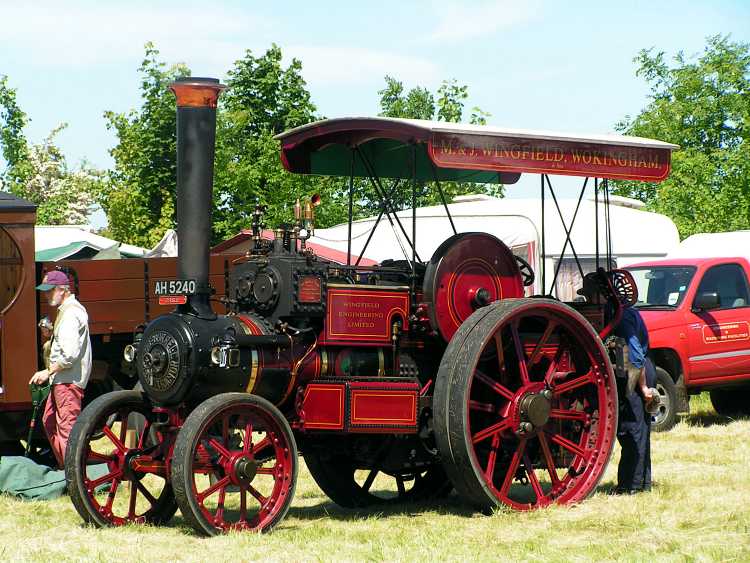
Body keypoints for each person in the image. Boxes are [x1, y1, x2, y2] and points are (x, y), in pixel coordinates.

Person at [578, 272, 655, 494]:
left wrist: (642, 388)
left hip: (634, 372)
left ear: (604, 295)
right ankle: (641, 484)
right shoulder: (611, 313)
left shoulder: (621, 317)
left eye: (592, 296)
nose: (590, 301)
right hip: (626, 371)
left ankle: (631, 486)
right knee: (635, 431)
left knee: (633, 429)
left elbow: (635, 356)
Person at [29, 271, 91, 468]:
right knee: (49, 421)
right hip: (62, 379)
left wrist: (47, 371)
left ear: (63, 290)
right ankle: (66, 466)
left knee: (67, 429)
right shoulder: (66, 310)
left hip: (68, 380)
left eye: (50, 291)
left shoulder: (71, 313)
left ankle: (73, 474)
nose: (46, 295)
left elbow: (69, 355)